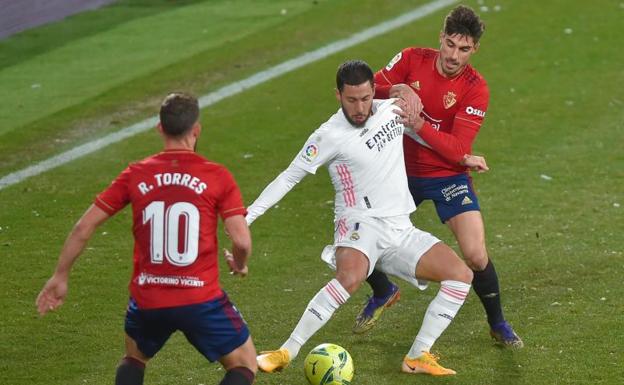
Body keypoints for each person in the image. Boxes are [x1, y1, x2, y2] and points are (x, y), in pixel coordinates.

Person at [246, 60, 489, 376]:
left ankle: (417, 357)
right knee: (350, 277)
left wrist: (462, 157)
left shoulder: (390, 110)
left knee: (461, 275)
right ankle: (286, 351)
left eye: (364, 98)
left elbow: (418, 136)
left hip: (400, 229)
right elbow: (288, 177)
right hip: (359, 223)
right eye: (351, 100)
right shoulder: (328, 135)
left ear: (374, 91)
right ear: (338, 96)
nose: (359, 108)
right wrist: (247, 217)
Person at [35, 93, 258, 385]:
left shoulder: (135, 174)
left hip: (148, 299)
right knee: (244, 364)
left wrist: (60, 275)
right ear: (196, 130)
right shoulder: (217, 176)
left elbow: (83, 227)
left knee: (134, 358)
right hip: (200, 299)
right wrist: (239, 264)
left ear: (159, 128)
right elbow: (241, 241)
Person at [353, 4, 524, 348]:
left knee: (475, 255)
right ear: (441, 39)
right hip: (398, 171)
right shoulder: (411, 59)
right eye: (450, 44)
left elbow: (456, 147)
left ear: (474, 49)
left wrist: (418, 124)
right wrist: (399, 89)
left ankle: (498, 323)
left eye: (464, 49)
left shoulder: (476, 88)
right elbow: (366, 90)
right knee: (356, 232)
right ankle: (384, 290)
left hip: (447, 177)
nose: (454, 56)